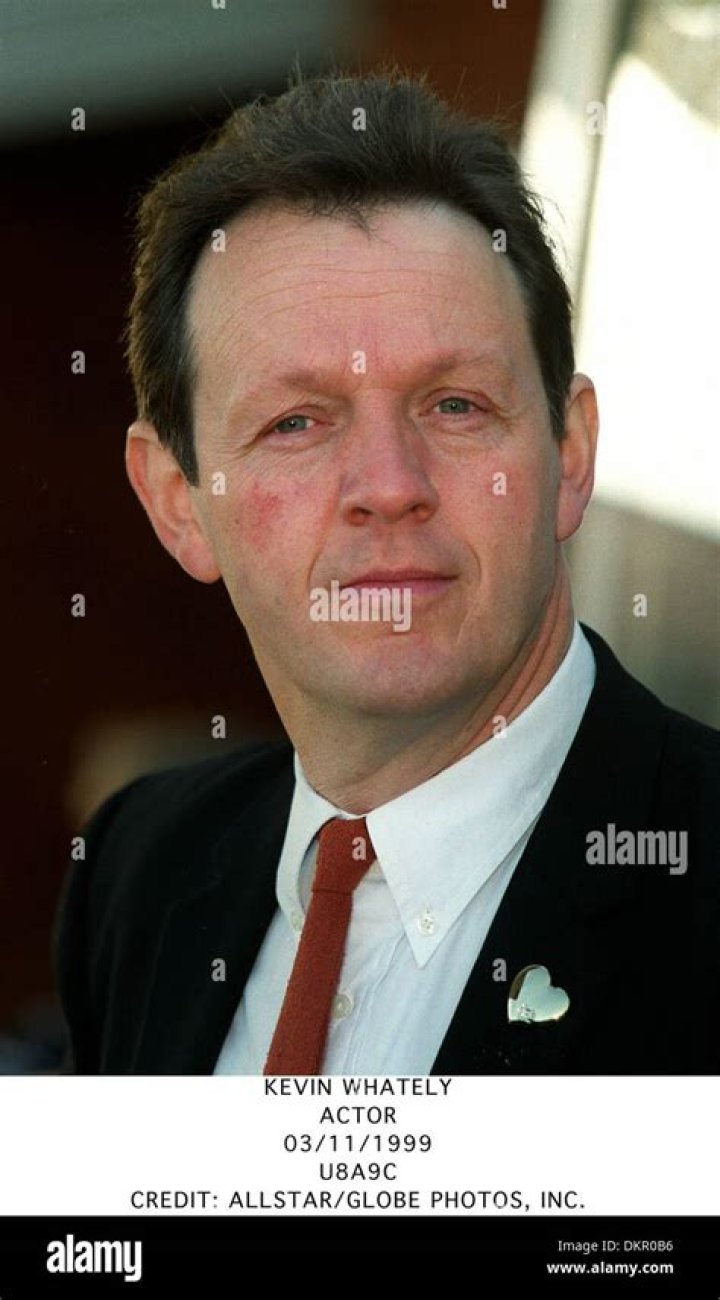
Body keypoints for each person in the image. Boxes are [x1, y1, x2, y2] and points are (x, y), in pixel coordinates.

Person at [53, 69, 719, 1076]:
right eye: (296, 422)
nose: (389, 486)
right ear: (178, 500)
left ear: (570, 453)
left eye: (455, 405)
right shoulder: (141, 867)